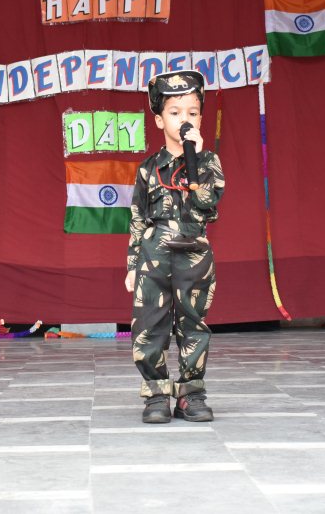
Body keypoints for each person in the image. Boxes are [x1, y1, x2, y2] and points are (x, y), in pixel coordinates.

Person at [125, 69, 225, 423]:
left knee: (193, 325)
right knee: (149, 325)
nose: (185, 119)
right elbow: (137, 218)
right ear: (159, 120)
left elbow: (207, 206)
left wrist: (193, 159)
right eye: (175, 112)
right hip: (154, 254)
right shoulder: (148, 169)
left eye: (193, 112)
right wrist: (132, 264)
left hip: (194, 254)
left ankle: (191, 394)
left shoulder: (209, 162)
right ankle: (156, 394)